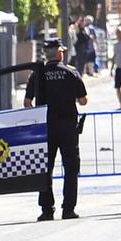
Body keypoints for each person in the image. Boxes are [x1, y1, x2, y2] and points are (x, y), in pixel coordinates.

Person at [24, 35, 88, 221]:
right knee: (70, 169)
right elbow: (83, 101)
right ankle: (68, 209)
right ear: (60, 53)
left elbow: (27, 103)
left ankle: (46, 210)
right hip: (68, 128)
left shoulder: (38, 74)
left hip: (45, 129)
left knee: (46, 169)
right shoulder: (71, 72)